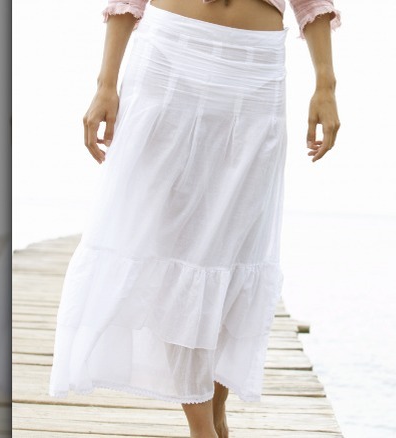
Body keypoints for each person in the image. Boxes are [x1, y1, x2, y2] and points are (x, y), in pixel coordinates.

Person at [47, 0, 341, 437]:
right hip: (169, 53)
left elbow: (311, 3)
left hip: (253, 68)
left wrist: (326, 86)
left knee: (234, 251)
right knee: (172, 247)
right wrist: (106, 83)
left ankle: (215, 414)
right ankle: (202, 426)